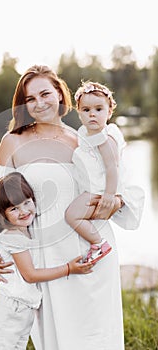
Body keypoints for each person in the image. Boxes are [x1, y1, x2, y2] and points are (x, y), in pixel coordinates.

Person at [0, 65, 144, 350]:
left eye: (45, 93)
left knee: (96, 334)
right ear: (24, 104)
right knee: (57, 337)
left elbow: (126, 187)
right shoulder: (12, 141)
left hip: (93, 252)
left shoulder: (87, 138)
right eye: (31, 98)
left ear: (60, 94)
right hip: (47, 256)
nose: (39, 103)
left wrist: (114, 201)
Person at [0, 172, 93, 349]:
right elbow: (30, 275)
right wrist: (69, 268)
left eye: (27, 202)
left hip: (22, 311)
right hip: (8, 310)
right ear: (3, 214)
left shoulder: (25, 229)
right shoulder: (13, 236)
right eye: (14, 209)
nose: (24, 211)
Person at [65, 81, 126, 264]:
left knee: (71, 215)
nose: (92, 114)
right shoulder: (86, 135)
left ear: (109, 112)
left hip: (98, 190)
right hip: (92, 188)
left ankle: (98, 243)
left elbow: (112, 167)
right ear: (79, 112)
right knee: (73, 214)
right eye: (86, 110)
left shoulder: (104, 138)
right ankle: (95, 241)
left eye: (98, 109)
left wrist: (109, 194)